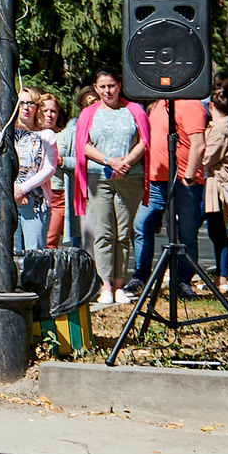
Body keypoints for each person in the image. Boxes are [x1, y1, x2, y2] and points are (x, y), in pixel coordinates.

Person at [70, 72, 148, 305]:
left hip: (130, 177)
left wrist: (126, 162)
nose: (107, 91)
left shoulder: (134, 110)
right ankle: (105, 285)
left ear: (119, 85)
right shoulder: (88, 114)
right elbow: (83, 145)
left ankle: (119, 284)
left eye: (111, 86)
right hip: (99, 178)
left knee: (123, 233)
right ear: (95, 87)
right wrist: (109, 161)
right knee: (104, 232)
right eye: (102, 86)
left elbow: (145, 140)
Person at [133, 95, 208, 299]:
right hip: (157, 181)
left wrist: (190, 175)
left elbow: (199, 144)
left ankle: (182, 282)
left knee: (186, 235)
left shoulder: (191, 104)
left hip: (185, 182)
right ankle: (140, 278)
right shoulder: (158, 104)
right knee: (141, 225)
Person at [196, 77, 228, 283]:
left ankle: (223, 277)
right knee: (217, 232)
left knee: (215, 232)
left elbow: (207, 158)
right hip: (212, 186)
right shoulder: (226, 126)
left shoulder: (220, 129)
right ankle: (222, 276)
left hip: (214, 188)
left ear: (211, 106)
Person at [10, 89, 57, 257]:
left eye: (31, 103)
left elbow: (49, 168)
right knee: (10, 251)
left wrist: (23, 189)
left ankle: (33, 284)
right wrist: (12, 190)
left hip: (35, 201)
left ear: (37, 107)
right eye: (21, 103)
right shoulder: (5, 134)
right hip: (8, 199)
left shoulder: (46, 135)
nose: (26, 107)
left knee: (35, 253)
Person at [39, 92, 71, 248]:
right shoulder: (31, 133)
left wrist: (61, 160)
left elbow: (79, 161)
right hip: (34, 194)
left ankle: (47, 272)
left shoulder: (65, 135)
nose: (49, 115)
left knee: (50, 242)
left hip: (57, 194)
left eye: (53, 111)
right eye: (45, 111)